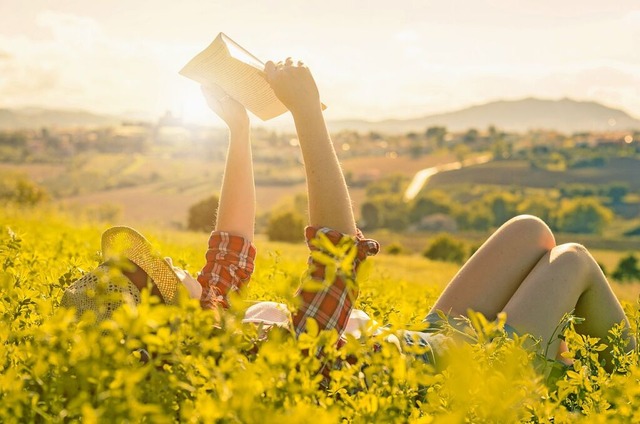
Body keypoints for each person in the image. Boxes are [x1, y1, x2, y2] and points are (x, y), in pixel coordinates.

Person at [62, 58, 635, 374]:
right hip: (469, 373)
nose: (166, 260)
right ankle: (612, 382)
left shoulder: (212, 321)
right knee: (575, 261)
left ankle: (554, 353)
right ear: (166, 314)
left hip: (423, 341)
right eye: (160, 272)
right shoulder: (249, 354)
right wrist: (307, 114)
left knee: (529, 231)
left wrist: (239, 128)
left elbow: (230, 242)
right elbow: (335, 256)